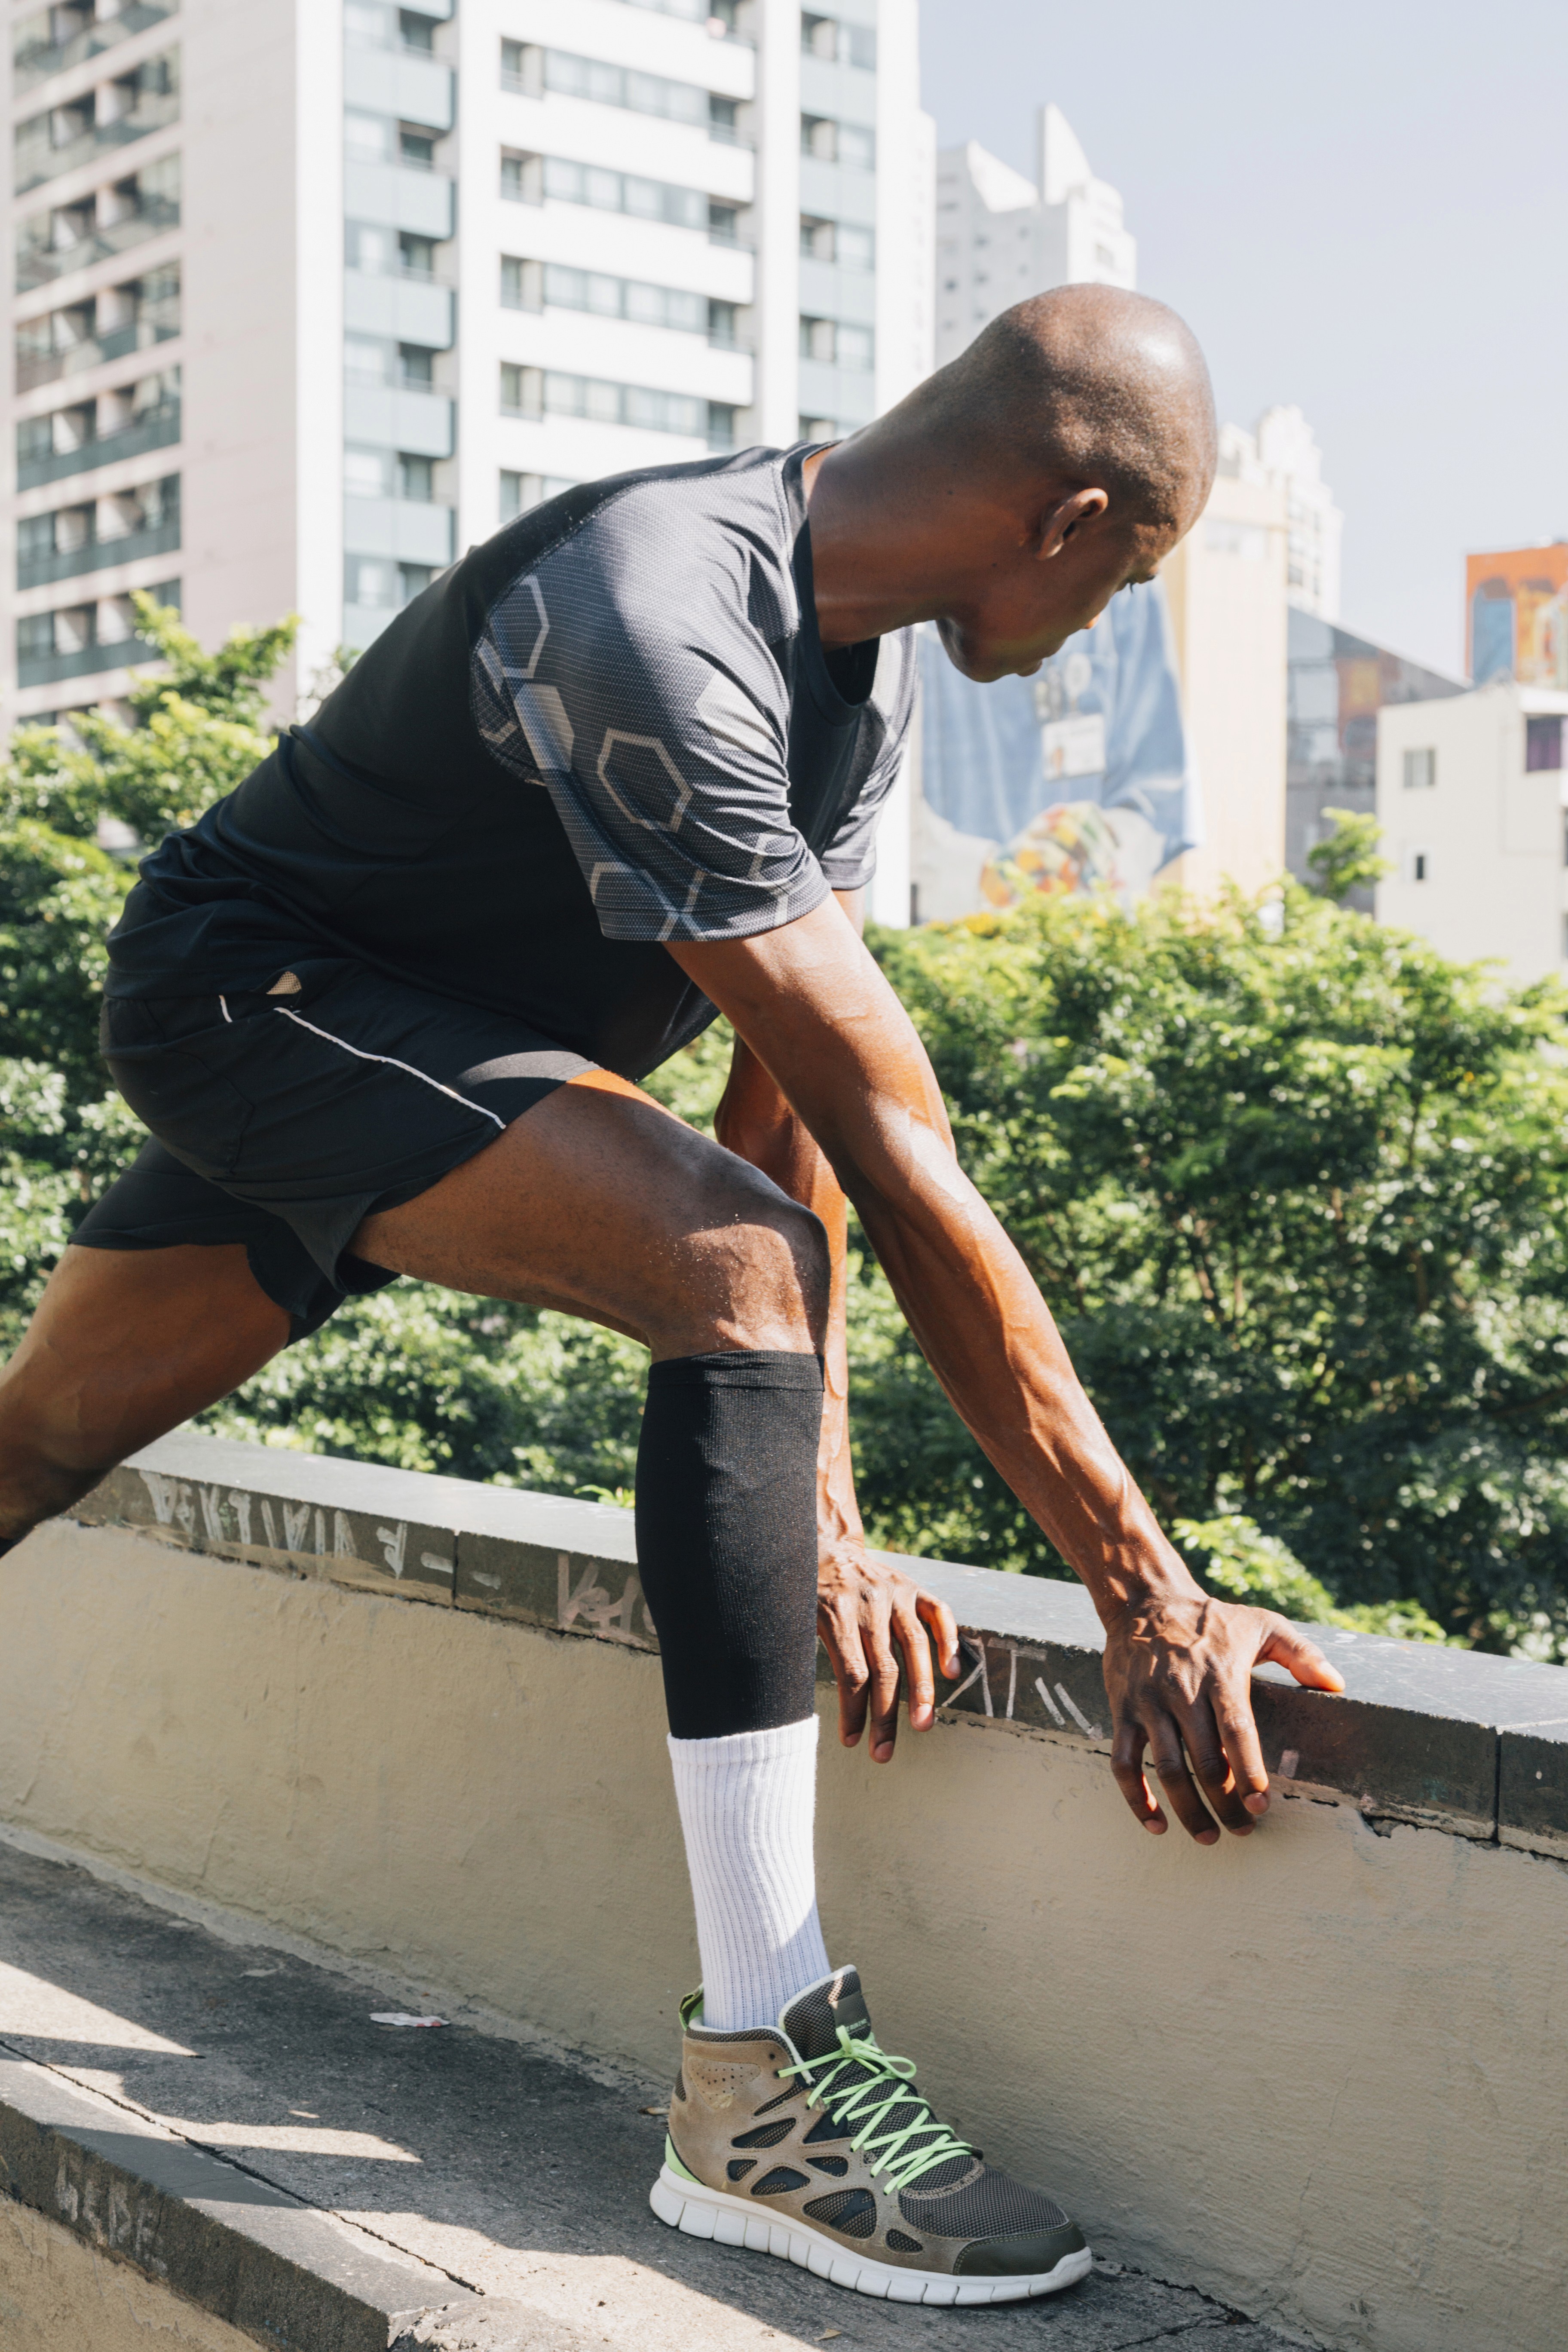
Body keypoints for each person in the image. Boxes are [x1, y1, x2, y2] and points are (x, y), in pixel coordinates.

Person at [0, 288, 1344, 2307]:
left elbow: (794, 1091)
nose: (1106, 623)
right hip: (245, 1005)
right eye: (1132, 575)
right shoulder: (651, 614)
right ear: (1066, 523)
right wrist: (1145, 1590)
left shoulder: (858, 678)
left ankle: (764, 2062)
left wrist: (812, 1500)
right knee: (732, 1261)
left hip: (470, 1062)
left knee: (29, 1438)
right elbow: (891, 1168)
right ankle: (763, 2075)